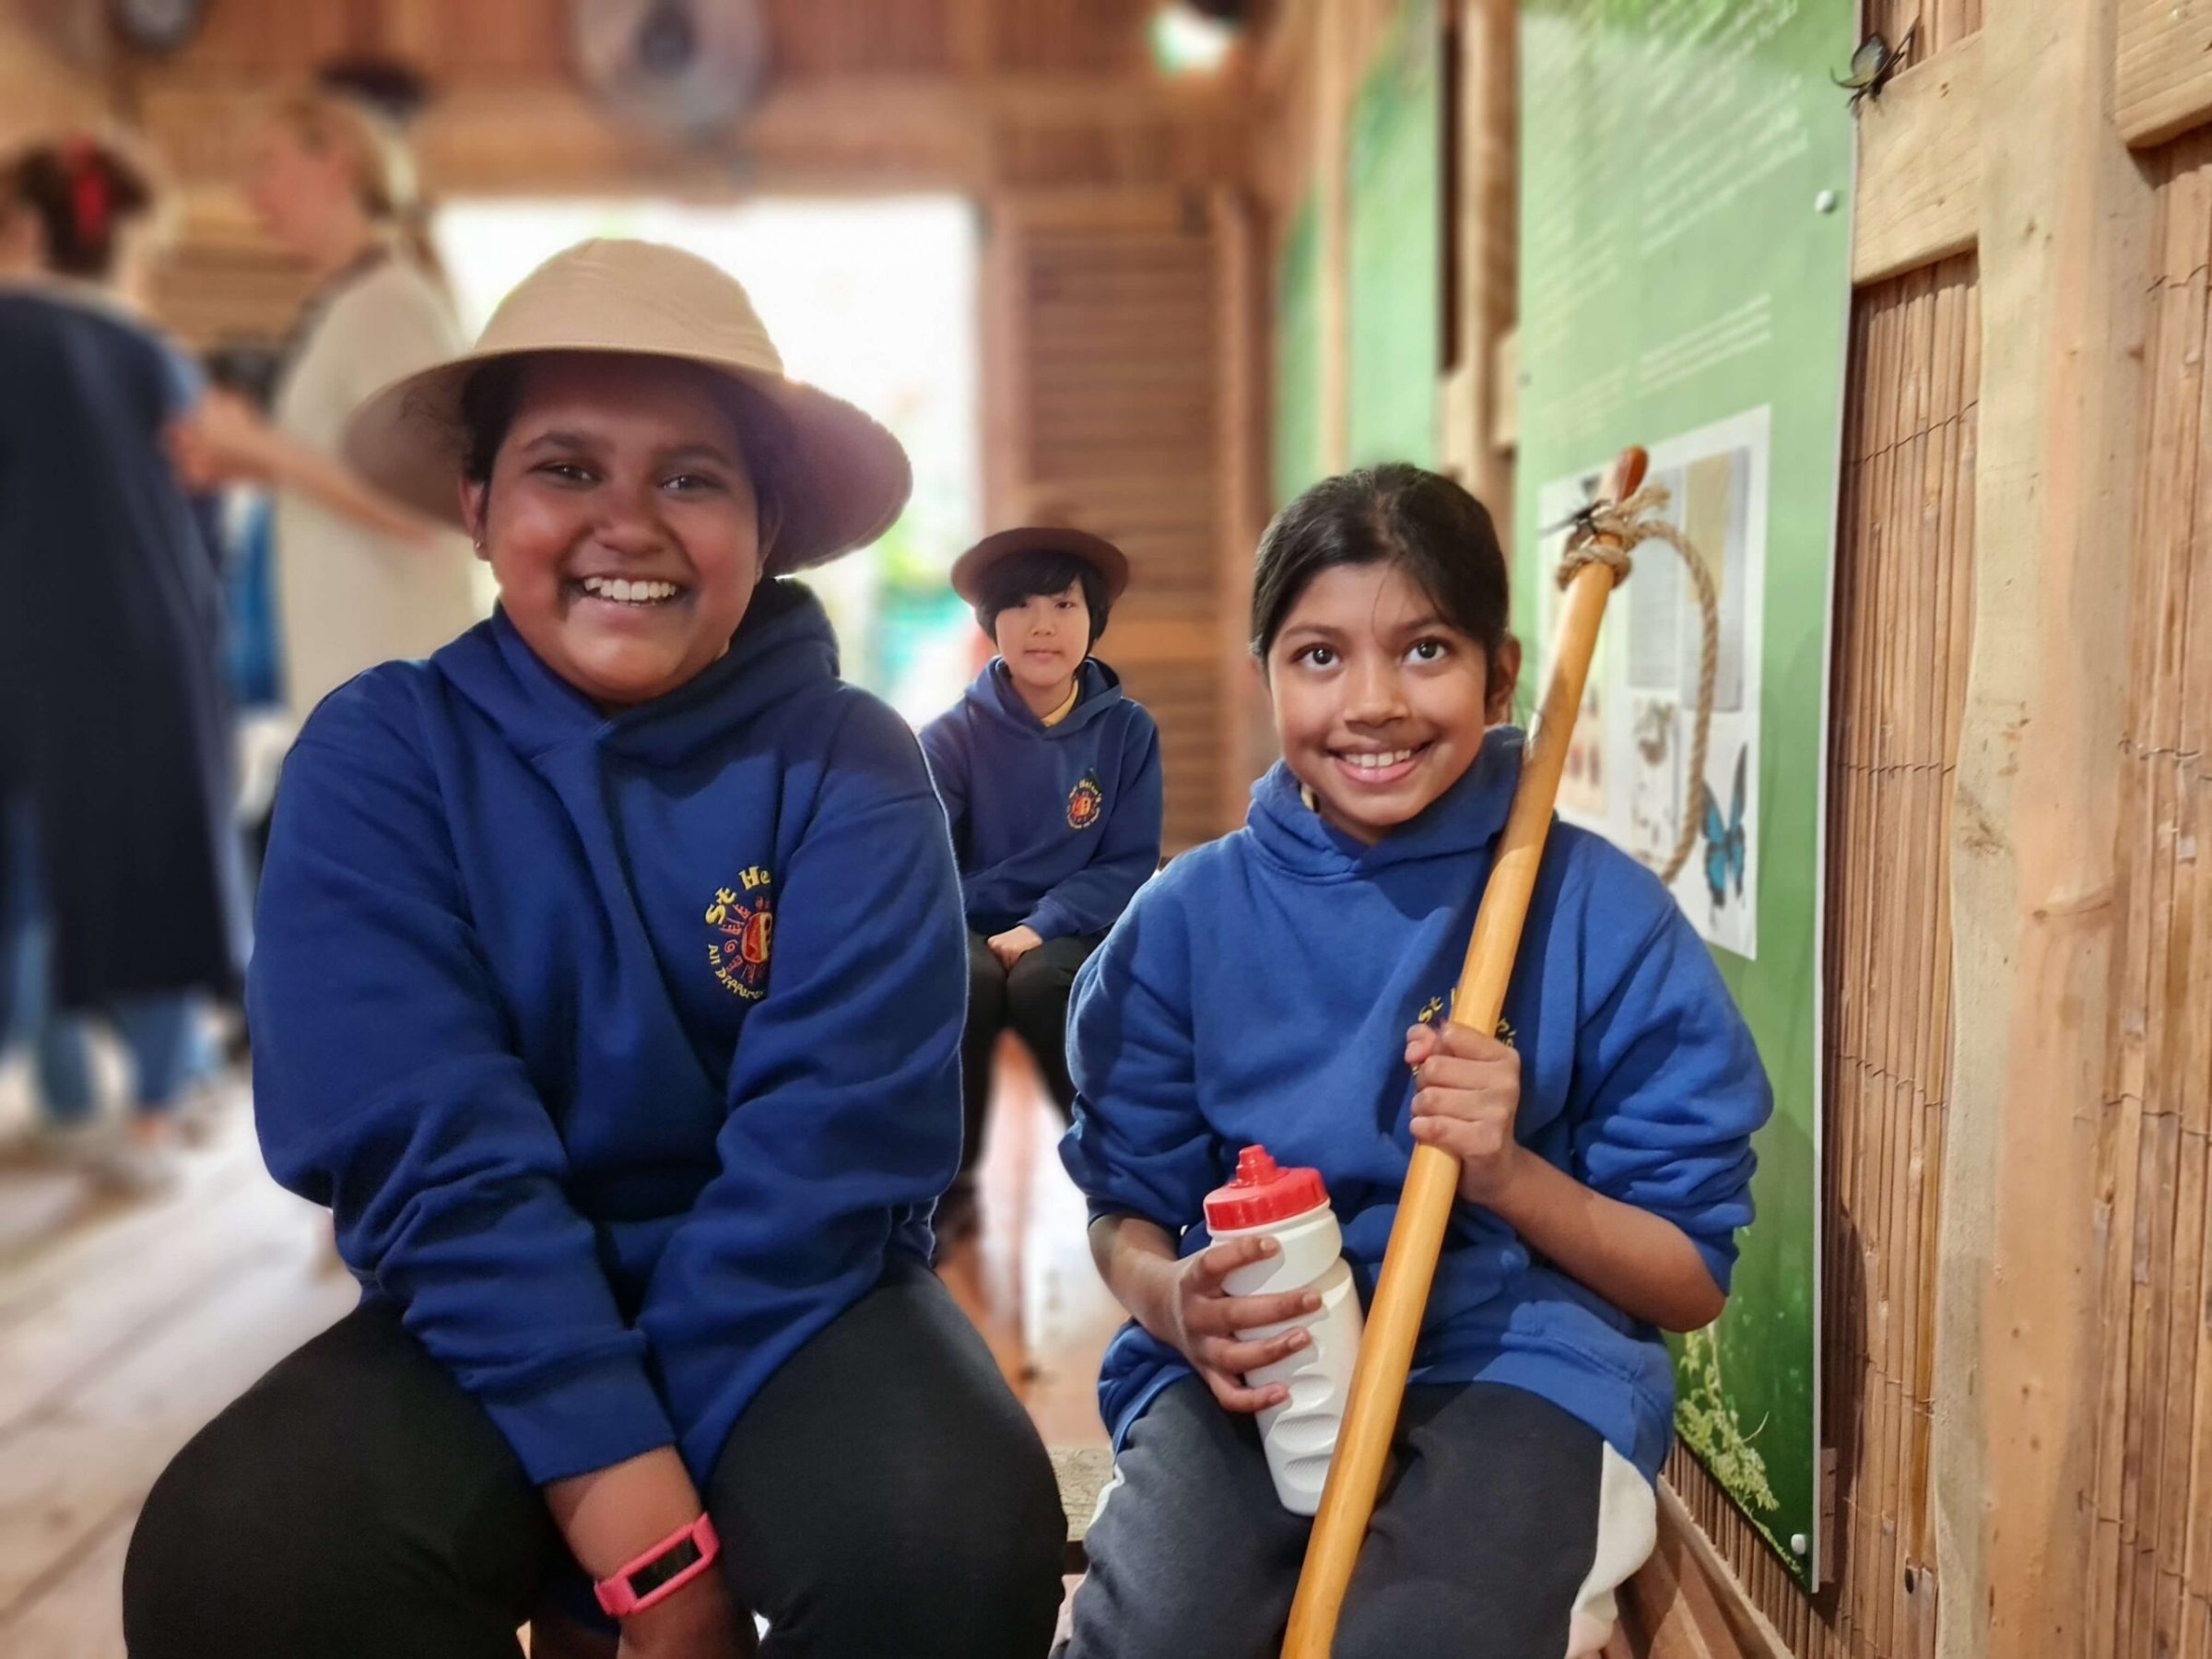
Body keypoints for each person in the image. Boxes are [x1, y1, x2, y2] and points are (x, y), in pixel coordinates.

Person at [124, 240, 1064, 1659]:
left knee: (951, 1533)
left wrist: (608, 1557)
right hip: (495, 1304)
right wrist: (645, 1544)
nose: (629, 522)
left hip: (802, 1303)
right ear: (477, 503)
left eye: (692, 478)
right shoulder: (385, 755)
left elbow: (829, 1158)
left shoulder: (853, 765)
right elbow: (427, 1153)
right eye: (568, 468)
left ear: (769, 524)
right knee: (238, 1558)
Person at [1057, 465, 1772, 1658]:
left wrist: (1506, 1175)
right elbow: (1121, 1211)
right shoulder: (1185, 925)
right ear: (1265, 678)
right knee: (1155, 1634)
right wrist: (1173, 1303)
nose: (1373, 702)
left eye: (1426, 649)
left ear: (1501, 671)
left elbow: (1687, 1279)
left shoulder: (1594, 913)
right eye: (1321, 655)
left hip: (1525, 1367)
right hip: (1257, 1365)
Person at [0, 136, 241, 1190]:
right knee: (148, 872)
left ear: (24, 229)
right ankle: (152, 1113)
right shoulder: (160, 357)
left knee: (25, 880)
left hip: (23, 648)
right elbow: (211, 523)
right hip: (155, 654)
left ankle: (60, 1098)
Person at [170, 79, 480, 720]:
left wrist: (260, 447)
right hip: (354, 687)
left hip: (395, 692)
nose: (251, 196)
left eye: (268, 165)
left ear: (332, 160)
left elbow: (424, 509)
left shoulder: (387, 302)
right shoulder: (348, 305)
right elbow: (353, 478)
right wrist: (250, 462)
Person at [919, 524, 1161, 1236]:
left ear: (1093, 621)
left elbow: (1126, 862)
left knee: (1046, 983)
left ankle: (1110, 1165)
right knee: (968, 982)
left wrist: (1042, 924)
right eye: (1020, 606)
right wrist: (986, 927)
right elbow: (925, 860)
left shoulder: (1127, 733)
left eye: (1063, 604)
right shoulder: (951, 736)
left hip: (1075, 922)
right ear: (992, 622)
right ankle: (949, 1187)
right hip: (967, 918)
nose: (1042, 626)